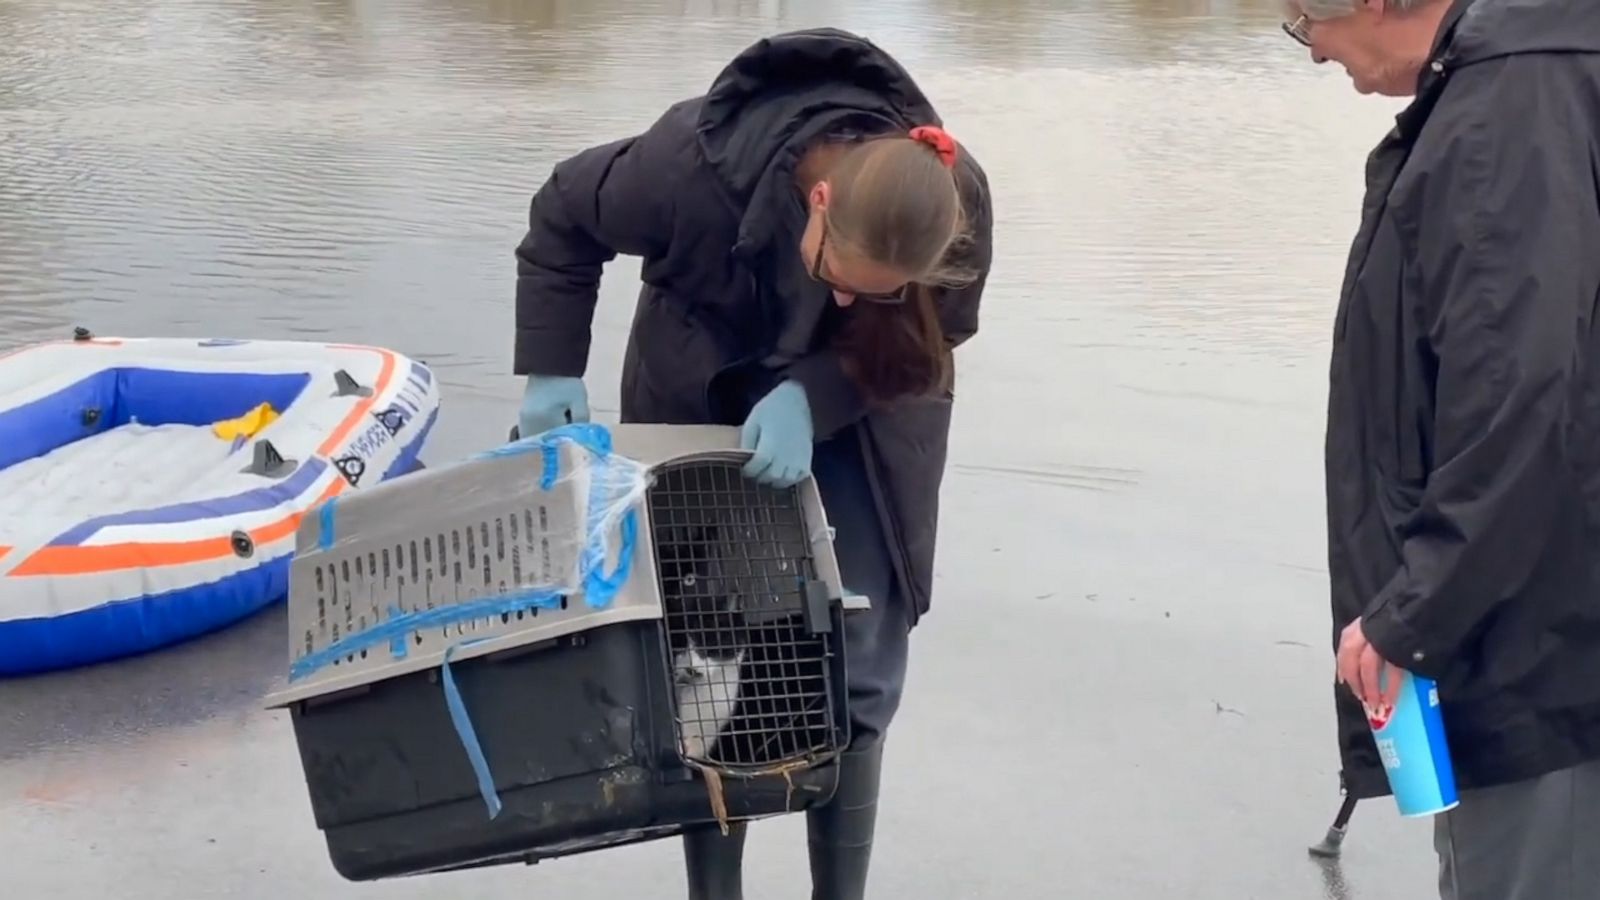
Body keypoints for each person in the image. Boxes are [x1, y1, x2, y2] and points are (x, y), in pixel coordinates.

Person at [509, 27, 993, 900]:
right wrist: (552, 367)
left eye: (880, 291)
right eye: (843, 276)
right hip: (703, 389)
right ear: (815, 201)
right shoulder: (687, 169)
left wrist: (819, 388)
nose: (848, 298)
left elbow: (940, 332)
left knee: (851, 664)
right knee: (709, 657)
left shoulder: (950, 198)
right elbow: (563, 214)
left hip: (871, 404)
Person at [1289, 0, 1600, 897]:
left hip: (1536, 657)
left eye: (1305, 18)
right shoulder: (1542, 75)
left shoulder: (1508, 108)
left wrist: (1414, 613)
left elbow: (1520, 399)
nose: (1310, 49)